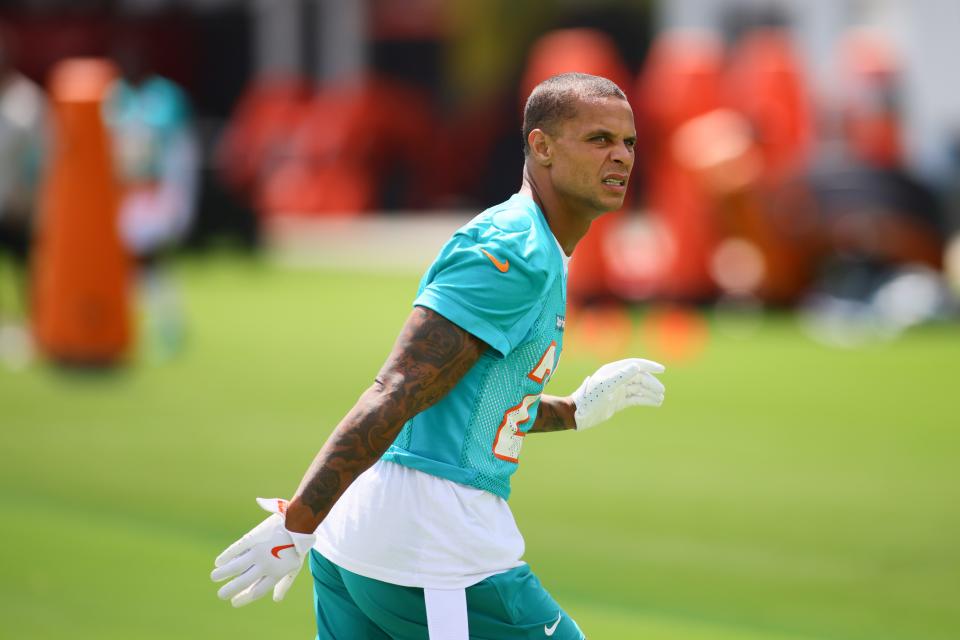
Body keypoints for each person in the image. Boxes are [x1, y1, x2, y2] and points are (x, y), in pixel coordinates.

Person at [211, 72, 666, 640]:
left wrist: (572, 410)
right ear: (541, 146)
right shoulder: (512, 249)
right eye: (599, 140)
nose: (621, 157)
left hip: (372, 542)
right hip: (433, 549)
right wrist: (296, 520)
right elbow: (399, 386)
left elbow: (469, 397)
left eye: (629, 143)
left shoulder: (535, 245)